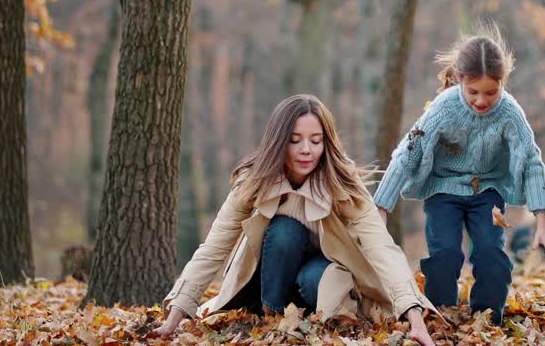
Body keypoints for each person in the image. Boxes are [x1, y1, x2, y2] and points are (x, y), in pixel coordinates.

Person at [154, 95, 436, 346]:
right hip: (270, 277)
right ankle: (273, 317)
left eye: (315, 141)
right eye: (294, 140)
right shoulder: (253, 184)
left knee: (317, 278)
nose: (306, 150)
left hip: (320, 278)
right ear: (279, 141)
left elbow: (382, 250)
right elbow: (214, 249)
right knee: (284, 230)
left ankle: (304, 321)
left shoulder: (343, 186)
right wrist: (174, 317)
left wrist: (414, 316)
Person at [374, 26, 545, 325]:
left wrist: (542, 220)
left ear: (502, 83)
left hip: (487, 190)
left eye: (491, 92)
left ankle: (488, 315)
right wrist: (381, 206)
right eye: (473, 92)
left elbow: (531, 160)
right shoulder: (444, 108)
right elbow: (409, 151)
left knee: (490, 253)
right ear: (459, 79)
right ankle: (440, 314)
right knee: (445, 253)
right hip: (444, 189)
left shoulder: (510, 112)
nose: (482, 101)